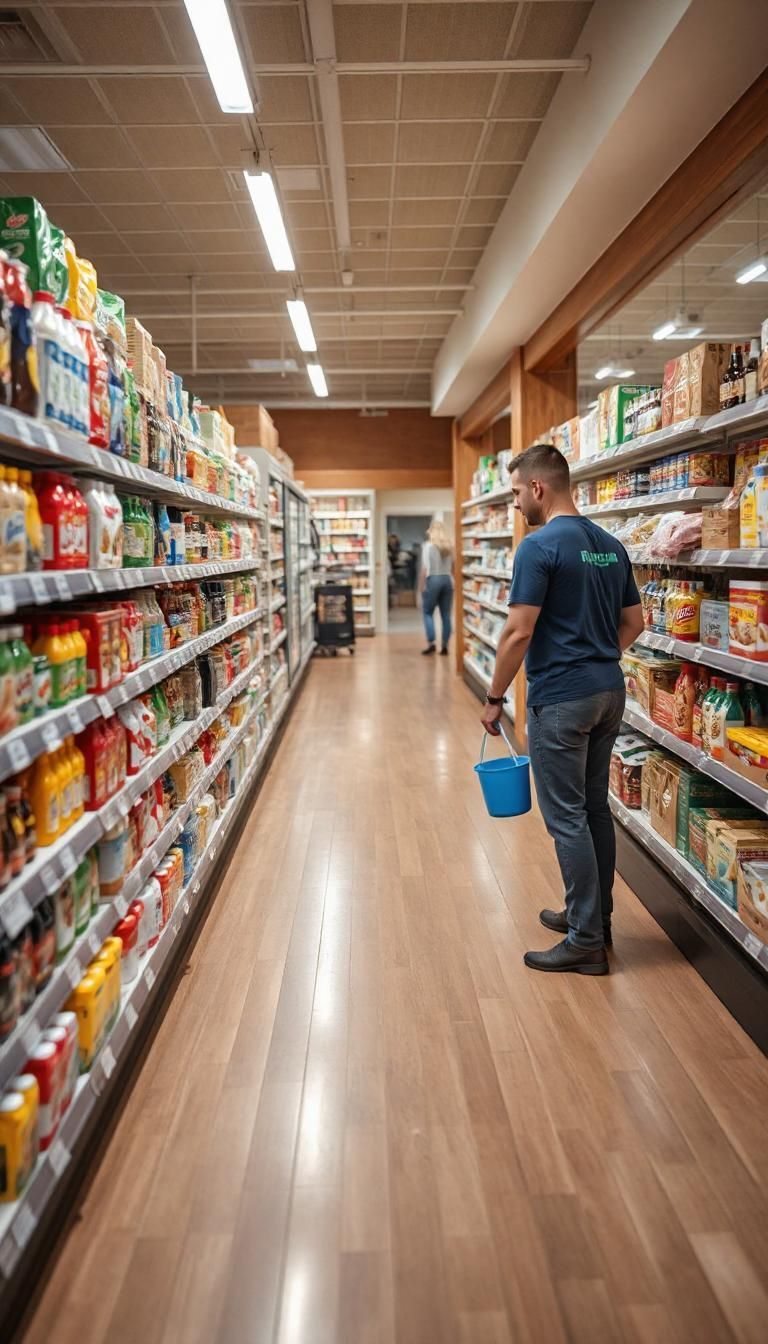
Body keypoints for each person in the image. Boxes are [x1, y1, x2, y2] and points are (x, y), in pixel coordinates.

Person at [480, 444, 644, 976]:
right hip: (607, 691)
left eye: (515, 494)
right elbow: (635, 622)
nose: (514, 506)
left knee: (566, 817)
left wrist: (493, 698)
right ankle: (595, 917)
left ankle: (585, 941)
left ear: (538, 488)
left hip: (562, 700)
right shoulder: (610, 545)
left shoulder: (538, 546)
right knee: (594, 808)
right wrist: (598, 659)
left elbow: (517, 631)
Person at [420, 518, 454, 656]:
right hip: (447, 580)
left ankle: (431, 643)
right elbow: (453, 567)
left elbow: (424, 568)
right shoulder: (449, 546)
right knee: (446, 614)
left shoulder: (428, 546)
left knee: (427, 612)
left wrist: (421, 586)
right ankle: (445, 646)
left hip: (433, 579)